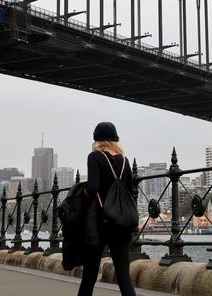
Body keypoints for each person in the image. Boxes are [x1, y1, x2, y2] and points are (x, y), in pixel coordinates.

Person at [78, 121, 136, 296]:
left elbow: (93, 188)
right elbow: (130, 189)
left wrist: (83, 195)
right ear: (115, 140)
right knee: (123, 275)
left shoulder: (95, 157)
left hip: (100, 221)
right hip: (121, 221)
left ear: (97, 140)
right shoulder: (125, 161)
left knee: (90, 273)